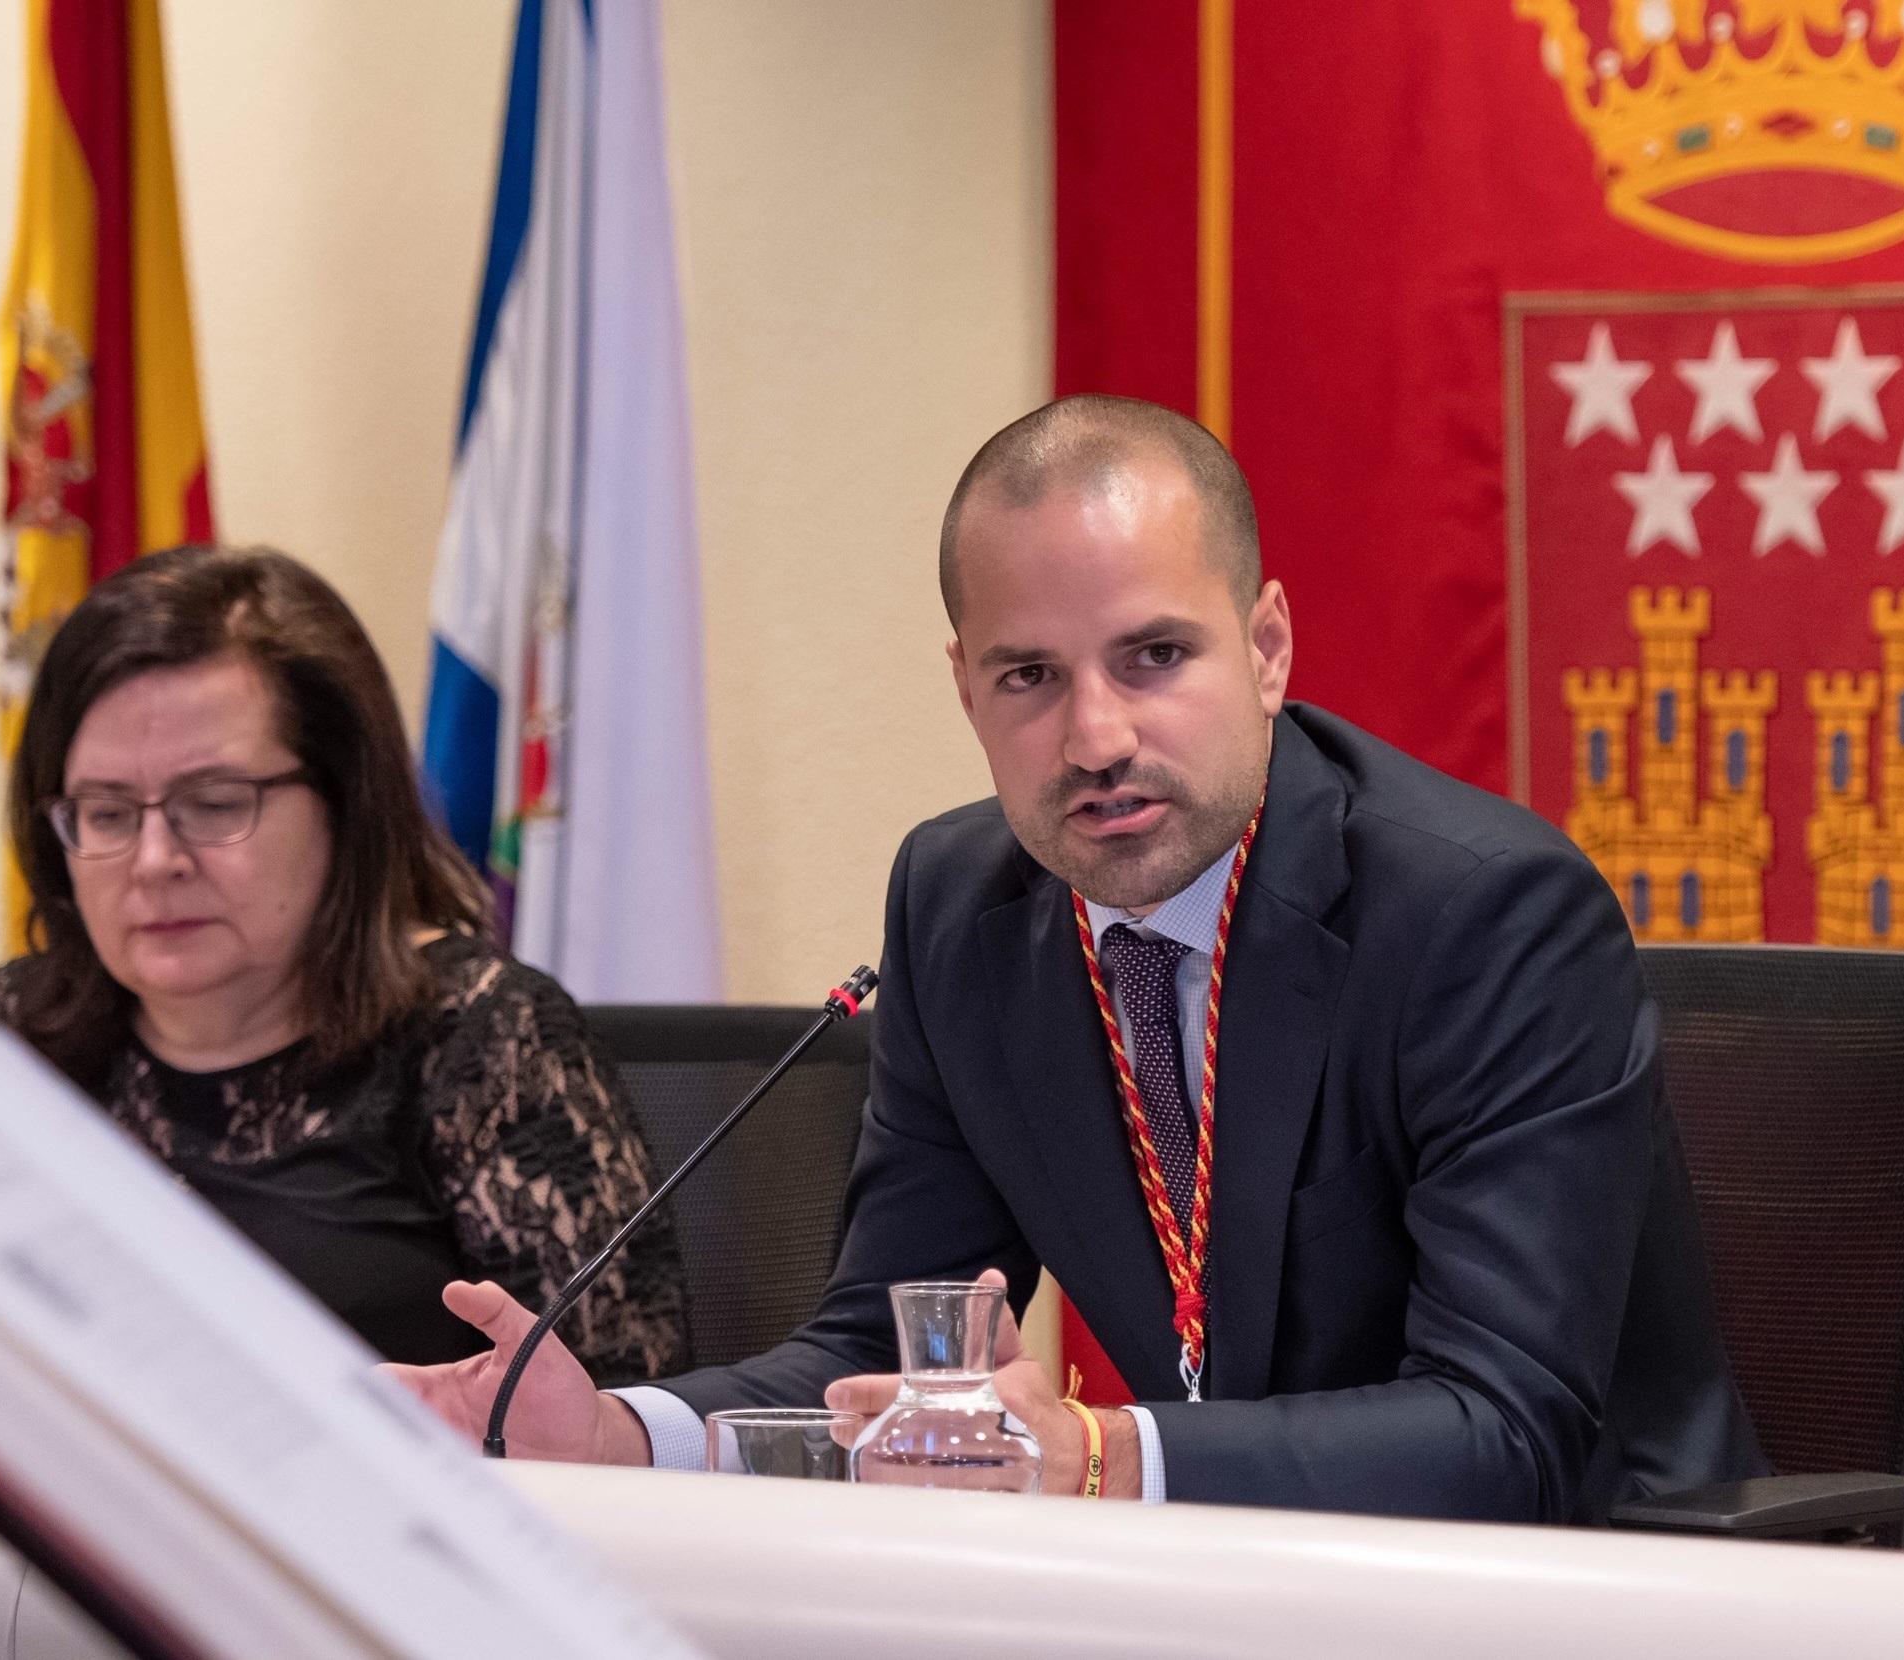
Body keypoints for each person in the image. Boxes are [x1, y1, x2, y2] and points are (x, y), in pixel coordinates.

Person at [393, 397, 1763, 1520]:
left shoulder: (1484, 917)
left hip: (1567, 1588)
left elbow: (1503, 1431)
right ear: (965, 690)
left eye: (1153, 655)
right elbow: (880, 1351)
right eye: (1028, 677)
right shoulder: (958, 903)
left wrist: (1097, 1459)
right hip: (1208, 1590)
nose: (1094, 736)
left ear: (1268, 648)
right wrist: (624, 1435)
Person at [0, 546, 685, 1380]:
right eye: (109, 813)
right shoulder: (12, 1034)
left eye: (213, 802)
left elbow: (612, 1426)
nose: (156, 860)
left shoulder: (483, 1038)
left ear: (343, 807)